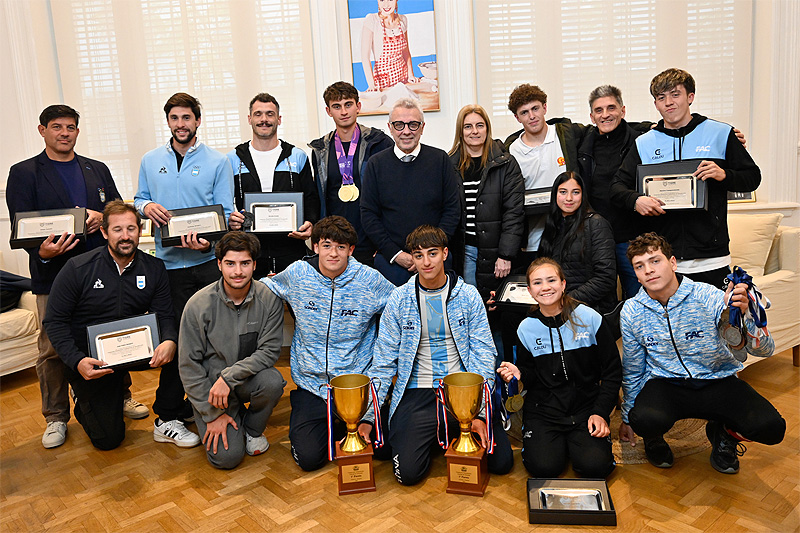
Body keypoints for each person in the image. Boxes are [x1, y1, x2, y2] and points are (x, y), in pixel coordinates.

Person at [5, 105, 146, 450]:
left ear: (77, 132)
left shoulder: (96, 169)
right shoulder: (24, 172)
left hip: (101, 271)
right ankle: (55, 416)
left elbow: (116, 210)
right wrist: (41, 252)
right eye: (57, 127)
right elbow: (20, 225)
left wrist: (103, 216)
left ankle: (120, 396)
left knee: (110, 335)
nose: (64, 133)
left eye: (70, 127)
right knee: (53, 349)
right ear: (42, 131)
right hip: (52, 274)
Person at [618, 232, 785, 473]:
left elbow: (765, 350)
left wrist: (747, 315)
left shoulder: (710, 297)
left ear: (672, 263)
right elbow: (633, 368)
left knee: (772, 428)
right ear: (634, 272)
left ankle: (724, 434)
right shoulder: (632, 311)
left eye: (655, 261)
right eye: (639, 266)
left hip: (718, 380)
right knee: (642, 419)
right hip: (666, 383)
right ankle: (654, 438)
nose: (649, 270)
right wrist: (627, 415)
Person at [43, 201, 199, 450]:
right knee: (108, 439)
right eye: (117, 230)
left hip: (135, 349)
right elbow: (55, 321)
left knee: (184, 344)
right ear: (104, 233)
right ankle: (85, 395)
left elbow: (164, 313)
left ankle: (168, 417)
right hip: (92, 360)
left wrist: (169, 340)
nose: (125, 236)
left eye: (131, 229)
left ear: (140, 230)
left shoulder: (154, 268)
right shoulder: (77, 268)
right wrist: (77, 361)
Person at [368, 225, 513, 485]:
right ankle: (435, 433)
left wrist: (479, 411)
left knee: (502, 462)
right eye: (419, 255)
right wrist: (370, 414)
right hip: (417, 390)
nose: (426, 261)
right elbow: (383, 361)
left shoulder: (468, 296)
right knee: (407, 475)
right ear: (411, 258)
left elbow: (483, 353)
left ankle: (450, 429)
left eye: (432, 253)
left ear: (445, 253)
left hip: (463, 391)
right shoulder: (399, 299)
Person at [262, 216, 395, 471]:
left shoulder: (369, 280)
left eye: (341, 247)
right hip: (313, 386)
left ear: (351, 250)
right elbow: (265, 288)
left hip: (357, 385)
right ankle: (329, 426)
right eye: (326, 245)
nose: (333, 253)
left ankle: (347, 424)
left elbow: (404, 305)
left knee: (384, 449)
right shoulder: (298, 273)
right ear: (315, 247)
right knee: (310, 459)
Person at [611, 68, 761, 289]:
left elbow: (752, 178)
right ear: (656, 105)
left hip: (711, 256)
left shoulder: (720, 133)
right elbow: (616, 187)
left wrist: (723, 174)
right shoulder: (645, 143)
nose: (668, 102)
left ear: (690, 97)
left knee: (716, 322)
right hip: (663, 259)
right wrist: (635, 200)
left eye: (675, 94)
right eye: (661, 98)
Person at [497, 257, 621, 478]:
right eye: (537, 283)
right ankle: (556, 445)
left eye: (551, 280)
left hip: (586, 409)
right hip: (544, 411)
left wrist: (600, 412)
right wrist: (520, 374)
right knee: (543, 468)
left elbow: (612, 371)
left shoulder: (590, 317)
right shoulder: (526, 327)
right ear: (530, 291)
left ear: (563, 284)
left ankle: (577, 445)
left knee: (596, 467)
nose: (545, 287)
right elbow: (532, 375)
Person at [179, 232, 286, 469]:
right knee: (226, 459)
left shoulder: (269, 300)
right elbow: (188, 366)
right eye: (230, 263)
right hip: (211, 390)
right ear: (219, 264)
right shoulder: (198, 305)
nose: (238, 271)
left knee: (272, 381)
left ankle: (251, 429)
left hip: (243, 382)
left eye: (245, 263)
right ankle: (221, 417)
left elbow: (268, 352)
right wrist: (212, 414)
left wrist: (228, 378)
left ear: (254, 265)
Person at [134, 92, 235, 322]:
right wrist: (147, 206)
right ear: (168, 121)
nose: (181, 124)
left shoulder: (218, 161)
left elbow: (226, 214)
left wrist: (207, 245)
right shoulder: (150, 160)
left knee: (213, 326)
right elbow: (139, 199)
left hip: (206, 261)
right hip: (167, 263)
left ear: (197, 121)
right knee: (177, 329)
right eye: (174, 118)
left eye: (187, 118)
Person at [360, 98, 462, 286]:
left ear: (422, 127)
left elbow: (452, 210)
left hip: (436, 261)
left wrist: (430, 254)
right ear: (390, 128)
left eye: (413, 125)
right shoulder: (376, 164)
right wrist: (396, 254)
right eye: (399, 125)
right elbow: (369, 214)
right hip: (392, 262)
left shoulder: (440, 160)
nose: (406, 131)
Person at [227, 93, 320, 278]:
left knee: (297, 305)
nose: (264, 119)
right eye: (258, 114)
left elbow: (311, 198)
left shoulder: (296, 156)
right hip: (249, 252)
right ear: (249, 119)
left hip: (291, 249)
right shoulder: (232, 158)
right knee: (252, 306)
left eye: (270, 114)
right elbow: (226, 202)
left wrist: (310, 224)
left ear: (279, 119)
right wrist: (231, 219)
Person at [576, 85, 650, 299]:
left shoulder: (641, 141)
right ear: (592, 116)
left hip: (632, 238)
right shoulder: (583, 145)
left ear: (623, 110)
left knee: (639, 300)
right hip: (596, 239)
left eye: (611, 108)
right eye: (599, 110)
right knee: (601, 304)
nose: (605, 115)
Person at [308, 82, 394, 266]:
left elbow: (391, 194)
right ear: (328, 111)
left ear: (358, 106)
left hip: (371, 239)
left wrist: (386, 240)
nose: (344, 111)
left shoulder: (379, 143)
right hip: (336, 242)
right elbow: (319, 196)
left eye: (348, 104)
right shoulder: (320, 150)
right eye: (337, 106)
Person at [447, 104, 524, 299]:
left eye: (480, 125)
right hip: (463, 250)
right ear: (460, 131)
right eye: (468, 126)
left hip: (496, 250)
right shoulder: (449, 164)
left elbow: (513, 213)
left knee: (496, 307)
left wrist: (506, 255)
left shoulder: (505, 163)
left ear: (487, 128)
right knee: (469, 306)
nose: (474, 131)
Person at [503, 84, 585, 267]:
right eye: (524, 112)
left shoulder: (565, 135)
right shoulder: (511, 151)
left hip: (570, 235)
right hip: (533, 241)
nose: (532, 116)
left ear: (545, 108)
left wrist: (648, 126)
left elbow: (604, 128)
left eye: (535, 108)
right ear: (517, 118)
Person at [539, 171, 617, 314]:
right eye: (563, 192)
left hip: (589, 309)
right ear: (555, 195)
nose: (569, 198)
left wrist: (565, 302)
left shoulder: (596, 224)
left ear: (583, 195)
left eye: (575, 192)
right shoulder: (553, 226)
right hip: (558, 306)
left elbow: (605, 278)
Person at [360, 0, 417, 92]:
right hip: (383, 80)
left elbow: (406, 52)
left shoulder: (403, 20)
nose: (386, 5)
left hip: (403, 77)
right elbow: (365, 57)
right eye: (382, 0)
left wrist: (410, 75)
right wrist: (371, 84)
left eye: (390, 0)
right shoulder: (372, 20)